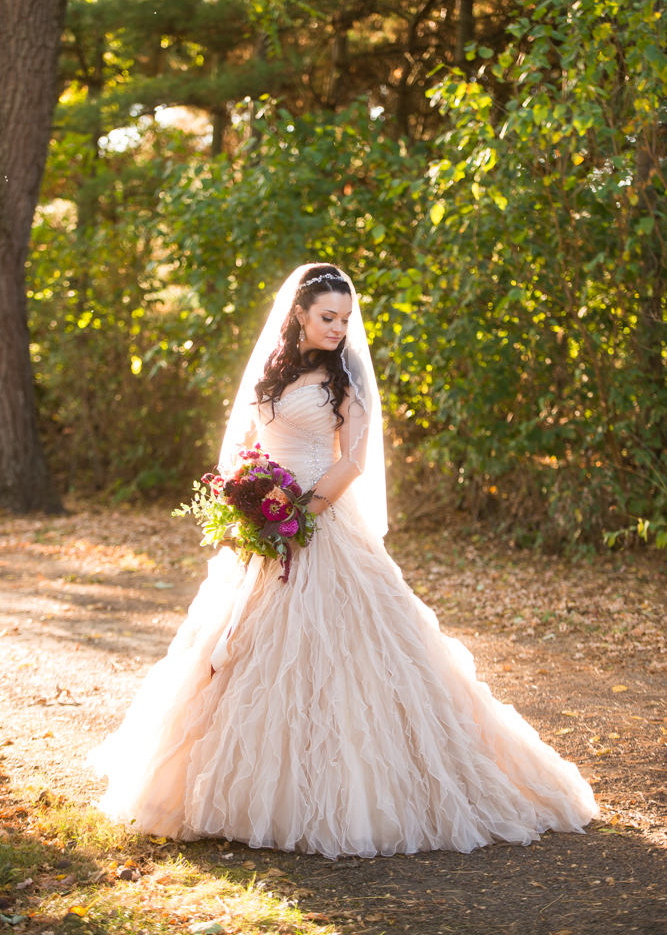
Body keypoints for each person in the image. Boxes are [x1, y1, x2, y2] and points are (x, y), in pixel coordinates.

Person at [89, 263, 597, 859]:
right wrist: (248, 501)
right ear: (299, 315)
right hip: (266, 526)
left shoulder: (345, 382)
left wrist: (299, 515)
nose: (339, 329)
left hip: (321, 522)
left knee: (351, 655)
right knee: (245, 651)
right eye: (328, 317)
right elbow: (249, 447)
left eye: (345, 319)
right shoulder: (271, 374)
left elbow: (352, 462)